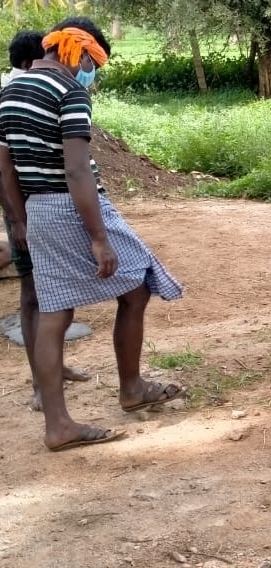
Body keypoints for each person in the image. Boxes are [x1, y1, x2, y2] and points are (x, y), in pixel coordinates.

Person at [0, 18, 187, 451]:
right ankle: (131, 388)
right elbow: (77, 169)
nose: (92, 73)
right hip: (73, 206)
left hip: (38, 210)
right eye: (93, 63)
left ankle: (59, 422)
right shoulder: (70, 92)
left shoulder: (9, 93)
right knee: (138, 284)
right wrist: (98, 236)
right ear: (79, 53)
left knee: (54, 310)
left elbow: (4, 167)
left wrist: (21, 219)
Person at [1, 29, 91, 411]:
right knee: (34, 294)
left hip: (35, 207)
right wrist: (18, 221)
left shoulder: (44, 91)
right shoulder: (14, 95)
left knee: (50, 294)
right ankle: (40, 383)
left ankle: (52, 370)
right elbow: (4, 171)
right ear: (28, 63)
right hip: (24, 207)